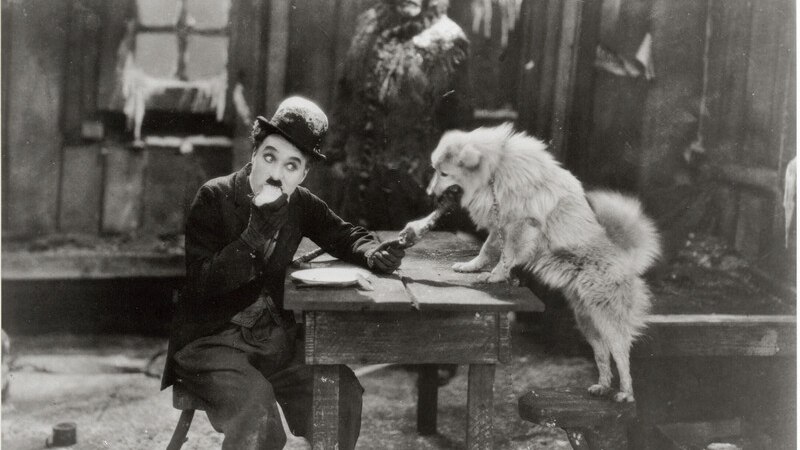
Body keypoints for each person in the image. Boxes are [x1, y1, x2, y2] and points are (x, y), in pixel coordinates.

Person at [161, 96, 405, 450]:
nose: (276, 174)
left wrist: (371, 252)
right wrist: (252, 237)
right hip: (211, 342)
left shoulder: (300, 203)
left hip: (274, 341)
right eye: (270, 157)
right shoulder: (214, 197)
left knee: (341, 393)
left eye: (292, 166)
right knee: (258, 416)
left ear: (303, 174)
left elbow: (344, 234)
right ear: (255, 153)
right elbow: (201, 285)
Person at [322, 0, 473, 230]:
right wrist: (335, 153)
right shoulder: (368, 24)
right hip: (356, 180)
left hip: (412, 188)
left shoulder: (449, 38)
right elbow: (346, 93)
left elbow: (457, 125)